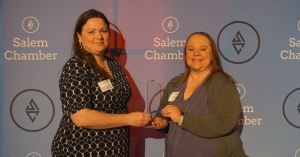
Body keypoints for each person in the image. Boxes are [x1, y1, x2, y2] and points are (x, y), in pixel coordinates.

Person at [51, 9, 151, 157]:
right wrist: (129, 119)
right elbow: (81, 117)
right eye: (91, 32)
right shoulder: (76, 66)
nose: (98, 36)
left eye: (103, 31)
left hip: (117, 149)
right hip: (82, 150)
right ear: (79, 37)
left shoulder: (114, 65)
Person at [148, 32, 246, 157]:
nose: (196, 53)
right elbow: (163, 115)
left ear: (212, 55)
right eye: (191, 49)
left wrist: (182, 118)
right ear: (185, 54)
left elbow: (224, 122)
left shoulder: (222, 83)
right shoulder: (174, 84)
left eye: (203, 49)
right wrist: (162, 122)